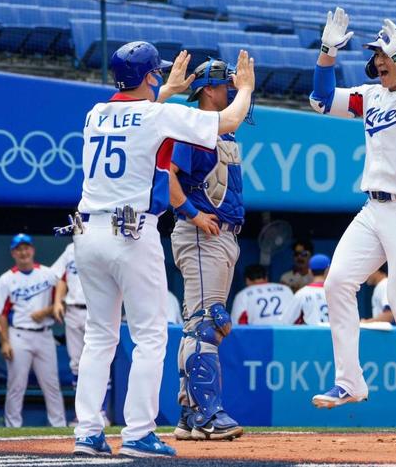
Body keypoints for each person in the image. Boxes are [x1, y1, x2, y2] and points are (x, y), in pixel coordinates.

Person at [71, 42, 254, 457]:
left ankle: (87, 432)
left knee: (99, 337)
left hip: (88, 231)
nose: (160, 78)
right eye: (156, 74)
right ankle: (137, 433)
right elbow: (227, 120)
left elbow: (137, 116)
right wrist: (244, 87)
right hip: (132, 233)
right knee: (150, 335)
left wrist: (165, 90)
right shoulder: (157, 113)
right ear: (148, 76)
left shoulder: (95, 113)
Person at [308, 7, 396, 444]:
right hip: (374, 208)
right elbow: (321, 100)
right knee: (336, 284)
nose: (379, 59)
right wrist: (328, 53)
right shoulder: (370, 95)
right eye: (378, 54)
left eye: (387, 53)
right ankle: (350, 381)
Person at [169, 58, 252, 442]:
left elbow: (234, 117)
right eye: (223, 86)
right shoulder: (192, 127)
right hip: (203, 234)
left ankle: (189, 414)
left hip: (221, 235)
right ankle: (206, 415)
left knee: (198, 324)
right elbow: (168, 175)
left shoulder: (221, 130)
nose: (229, 90)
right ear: (206, 89)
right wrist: (192, 214)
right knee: (208, 321)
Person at [0, 234, 66, 428]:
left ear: (33, 250)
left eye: (26, 248)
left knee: (52, 385)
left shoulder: (47, 273)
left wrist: (47, 310)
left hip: (45, 333)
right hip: (19, 334)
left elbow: (65, 291)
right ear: (13, 253)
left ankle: (59, 427)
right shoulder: (7, 279)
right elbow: (1, 313)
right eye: (19, 249)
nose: (23, 252)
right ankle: (13, 427)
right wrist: (4, 341)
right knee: (16, 385)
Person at [51, 242, 110, 427]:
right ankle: (81, 414)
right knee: (76, 363)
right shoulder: (70, 248)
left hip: (96, 309)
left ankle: (102, 412)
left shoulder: (104, 242)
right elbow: (61, 276)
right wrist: (57, 302)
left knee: (100, 360)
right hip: (72, 309)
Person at [289, 254, 331, 325]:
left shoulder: (302, 293)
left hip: (312, 334)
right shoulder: (339, 293)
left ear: (310, 271)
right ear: (328, 270)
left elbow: (287, 321)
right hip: (334, 335)